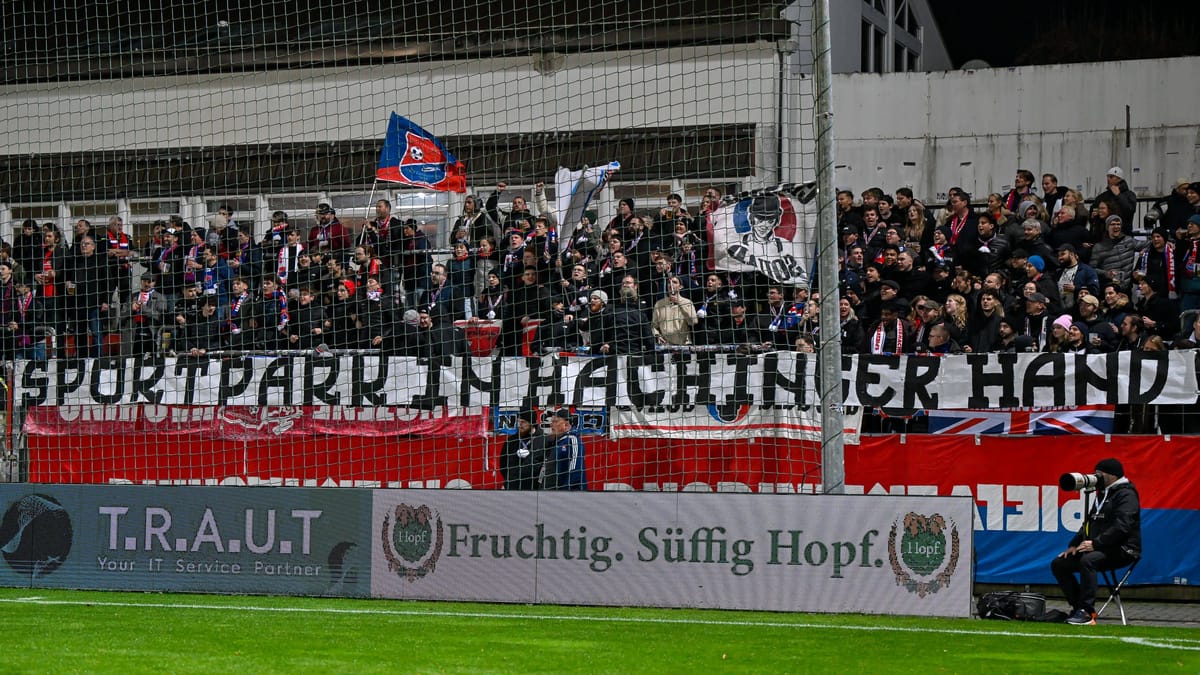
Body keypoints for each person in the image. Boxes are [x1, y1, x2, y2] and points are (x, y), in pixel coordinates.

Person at [1051, 458, 1141, 625]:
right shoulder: (1102, 494)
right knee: (1059, 563)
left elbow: (1123, 526)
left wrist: (1096, 543)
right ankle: (1078, 607)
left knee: (1088, 560)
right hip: (1101, 547)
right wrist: (1073, 545)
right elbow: (1089, 522)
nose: (1096, 477)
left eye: (1100, 474)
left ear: (1112, 476)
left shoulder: (1126, 494)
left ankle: (1087, 611)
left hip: (1124, 549)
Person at [541, 409, 587, 491]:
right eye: (551, 421)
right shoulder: (556, 442)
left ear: (566, 425)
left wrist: (564, 493)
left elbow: (575, 471)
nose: (551, 425)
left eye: (555, 421)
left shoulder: (573, 441)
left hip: (567, 497)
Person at [500, 410, 544, 490]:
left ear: (532, 423)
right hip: (513, 487)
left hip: (534, 488)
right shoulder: (511, 440)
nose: (520, 425)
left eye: (523, 422)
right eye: (518, 421)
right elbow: (503, 464)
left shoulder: (544, 440)